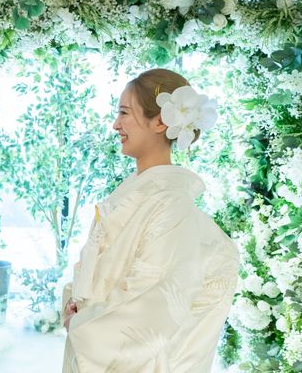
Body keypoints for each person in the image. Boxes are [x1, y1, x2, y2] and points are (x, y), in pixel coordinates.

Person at [61, 68, 239, 372]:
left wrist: (83, 324)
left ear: (160, 122)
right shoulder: (140, 192)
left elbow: (153, 299)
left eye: (124, 113)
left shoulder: (171, 203)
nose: (116, 124)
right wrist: (76, 303)